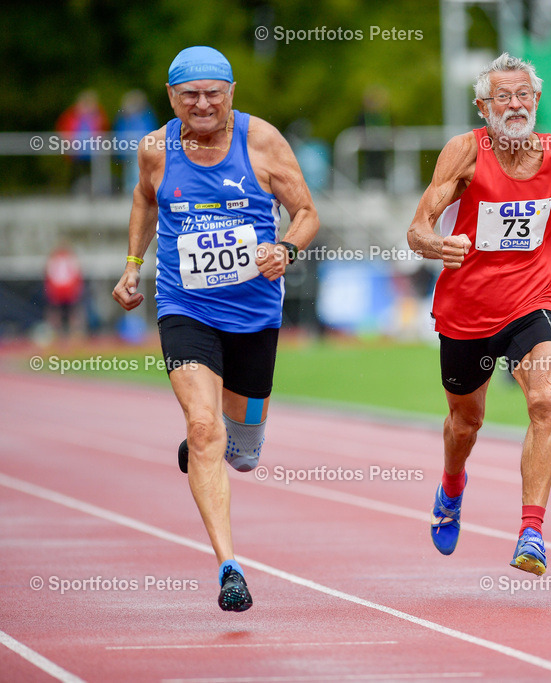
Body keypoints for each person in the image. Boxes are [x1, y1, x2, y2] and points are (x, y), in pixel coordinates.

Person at [112, 46, 319, 611]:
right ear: (171, 97)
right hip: (186, 308)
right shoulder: (155, 147)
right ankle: (230, 567)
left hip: (254, 315)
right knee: (205, 428)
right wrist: (133, 268)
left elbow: (307, 212)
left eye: (212, 93)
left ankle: (219, 443)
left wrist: (285, 249)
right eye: (189, 95)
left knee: (243, 452)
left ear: (230, 92)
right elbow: (143, 200)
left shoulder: (263, 142)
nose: (201, 105)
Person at [407, 53, 551, 576]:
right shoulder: (465, 153)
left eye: (523, 95)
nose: (515, 104)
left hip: (533, 301)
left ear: (537, 100)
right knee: (466, 423)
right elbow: (417, 229)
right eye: (503, 97)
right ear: (483, 107)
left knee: (546, 399)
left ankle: (532, 532)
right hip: (468, 312)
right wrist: (438, 246)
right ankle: (452, 487)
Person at [114, 90, 158, 195]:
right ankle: (131, 190)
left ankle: (138, 190)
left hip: (141, 148)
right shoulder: (124, 117)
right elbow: (119, 132)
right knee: (130, 170)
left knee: (137, 170)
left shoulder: (146, 116)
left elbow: (151, 130)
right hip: (129, 149)